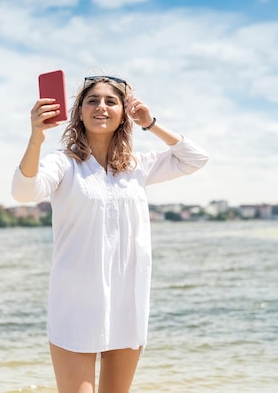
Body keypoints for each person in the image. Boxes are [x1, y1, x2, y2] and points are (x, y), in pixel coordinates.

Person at [11, 74, 209, 393]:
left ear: (123, 113)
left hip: (126, 303)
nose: (101, 107)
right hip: (75, 303)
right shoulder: (63, 163)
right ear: (79, 112)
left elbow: (196, 158)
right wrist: (36, 137)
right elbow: (23, 192)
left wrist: (151, 122)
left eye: (110, 101)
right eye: (92, 100)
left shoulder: (136, 166)